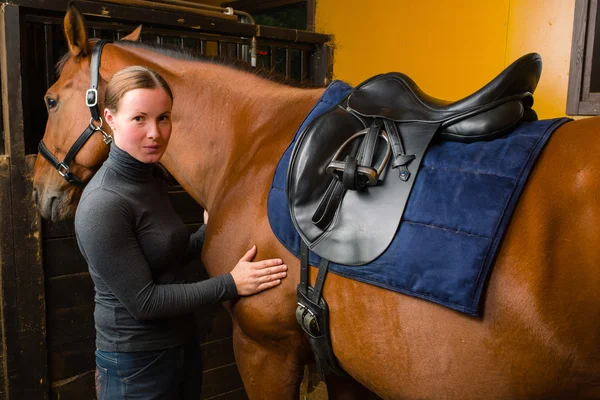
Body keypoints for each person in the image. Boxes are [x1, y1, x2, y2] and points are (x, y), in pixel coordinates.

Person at [74, 65, 288, 400]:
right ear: (110, 119)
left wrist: (211, 228)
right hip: (135, 366)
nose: (155, 133)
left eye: (164, 118)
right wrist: (232, 284)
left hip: (180, 349)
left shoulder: (151, 177)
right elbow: (144, 301)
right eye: (139, 119)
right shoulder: (104, 203)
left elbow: (167, 253)